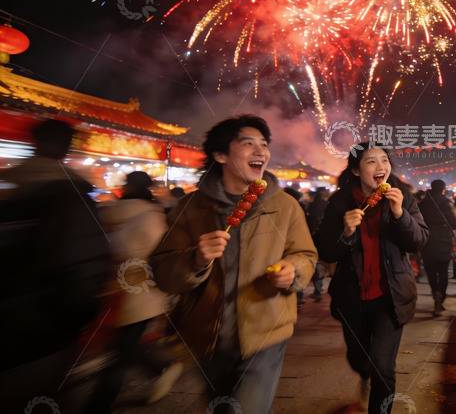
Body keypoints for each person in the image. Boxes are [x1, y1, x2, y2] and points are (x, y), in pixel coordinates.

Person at [149, 115, 318, 413]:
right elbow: (162, 273)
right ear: (220, 155)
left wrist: (294, 271)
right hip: (208, 337)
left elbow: (306, 254)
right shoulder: (190, 208)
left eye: (264, 144)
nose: (261, 151)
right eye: (248, 144)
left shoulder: (285, 206)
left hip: (266, 331)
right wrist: (195, 259)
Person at [0, 118, 111, 411]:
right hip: (46, 329)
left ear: (34, 143)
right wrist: (78, 316)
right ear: (67, 147)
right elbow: (87, 263)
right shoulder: (73, 194)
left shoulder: (8, 185)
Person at [312, 142, 428, 414]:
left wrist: (400, 214)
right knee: (358, 359)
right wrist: (346, 233)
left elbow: (418, 240)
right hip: (352, 297)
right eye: (371, 161)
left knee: (383, 365)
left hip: (391, 296)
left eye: (384, 160)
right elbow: (325, 251)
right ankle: (365, 375)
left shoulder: (402, 198)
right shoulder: (339, 203)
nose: (381, 166)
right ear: (355, 170)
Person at [83, 171, 183, 411]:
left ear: (126, 187)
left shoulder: (107, 212)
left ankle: (98, 405)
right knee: (124, 348)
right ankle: (162, 368)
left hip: (110, 290)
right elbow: (163, 254)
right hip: (141, 291)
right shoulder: (154, 216)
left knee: (121, 349)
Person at [418, 179, 456, 316]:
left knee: (430, 271)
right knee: (443, 271)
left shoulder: (422, 203)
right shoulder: (446, 202)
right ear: (443, 189)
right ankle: (441, 297)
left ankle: (435, 293)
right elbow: (455, 223)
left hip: (427, 241)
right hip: (444, 241)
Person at [305, 188, 331, 301]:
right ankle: (318, 290)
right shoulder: (326, 204)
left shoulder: (313, 205)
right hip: (321, 238)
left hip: (312, 238)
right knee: (318, 264)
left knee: (315, 264)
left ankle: (317, 291)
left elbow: (311, 222)